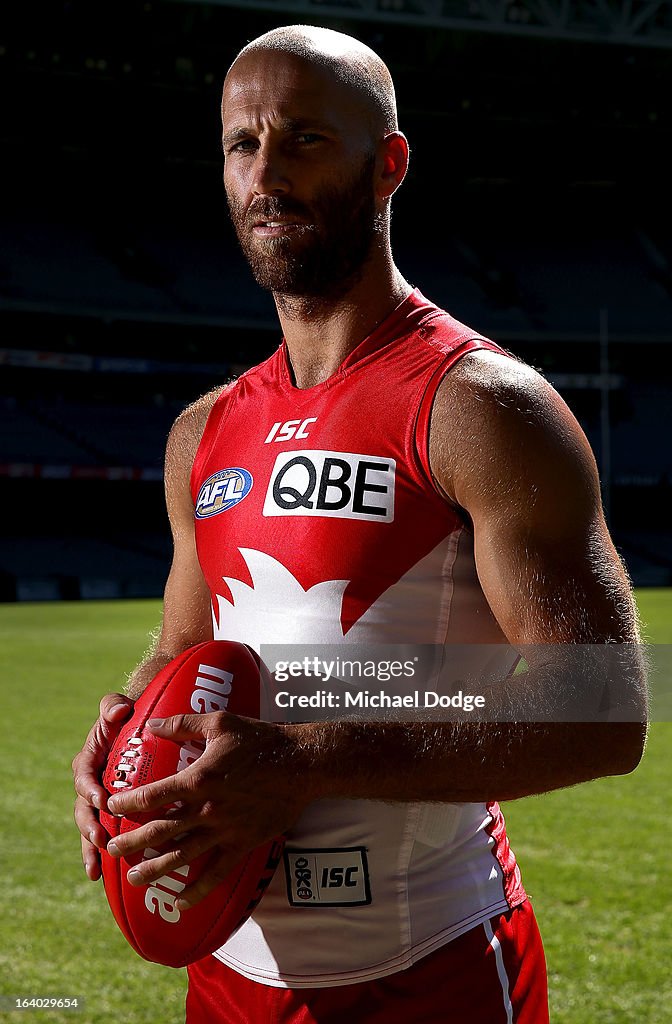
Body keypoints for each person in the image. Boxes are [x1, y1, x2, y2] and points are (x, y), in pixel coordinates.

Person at [72, 24, 648, 1023]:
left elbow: (604, 706)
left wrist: (306, 759)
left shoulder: (482, 406)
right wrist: (122, 725)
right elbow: (185, 651)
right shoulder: (202, 434)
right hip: (229, 971)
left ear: (389, 165)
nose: (265, 172)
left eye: (303, 140)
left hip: (429, 968)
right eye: (242, 144)